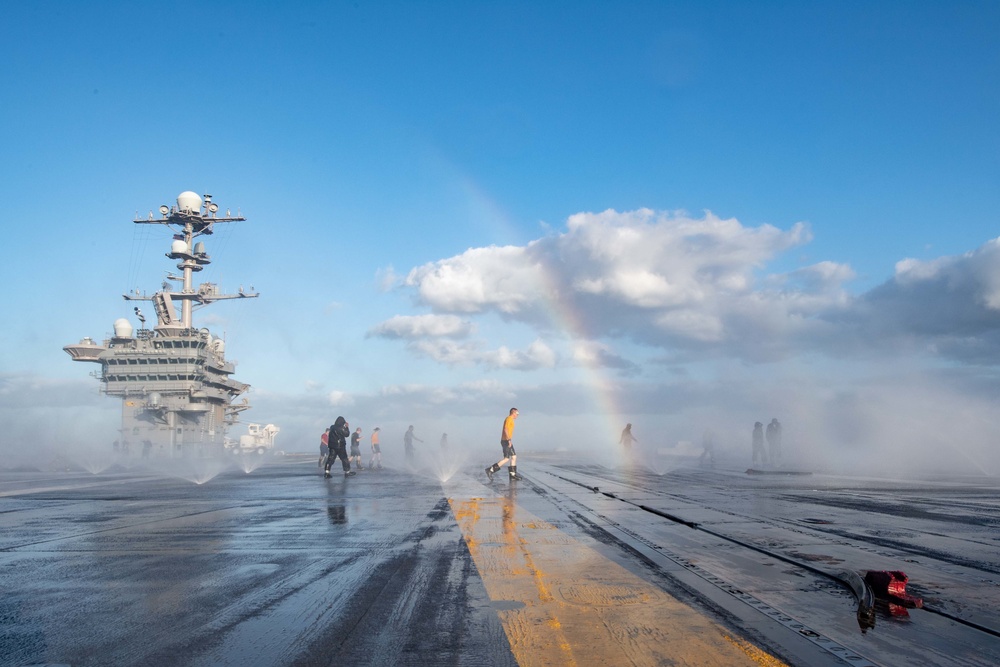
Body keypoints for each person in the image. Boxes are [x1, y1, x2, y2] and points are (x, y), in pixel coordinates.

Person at [486, 407, 522, 481]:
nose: (518, 415)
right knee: (506, 458)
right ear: (513, 413)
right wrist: (509, 440)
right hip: (506, 441)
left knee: (513, 457)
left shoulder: (510, 419)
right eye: (517, 413)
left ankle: (512, 475)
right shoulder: (509, 419)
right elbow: (506, 429)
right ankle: (490, 470)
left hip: (506, 440)